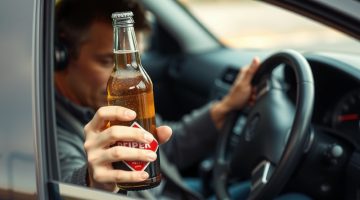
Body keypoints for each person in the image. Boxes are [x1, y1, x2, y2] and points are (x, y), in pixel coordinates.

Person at [54, 0, 311, 199]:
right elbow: (69, 184)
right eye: (106, 60)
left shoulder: (100, 102)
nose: (118, 74)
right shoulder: (48, 129)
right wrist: (93, 182)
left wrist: (225, 107)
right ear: (61, 55)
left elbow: (165, 148)